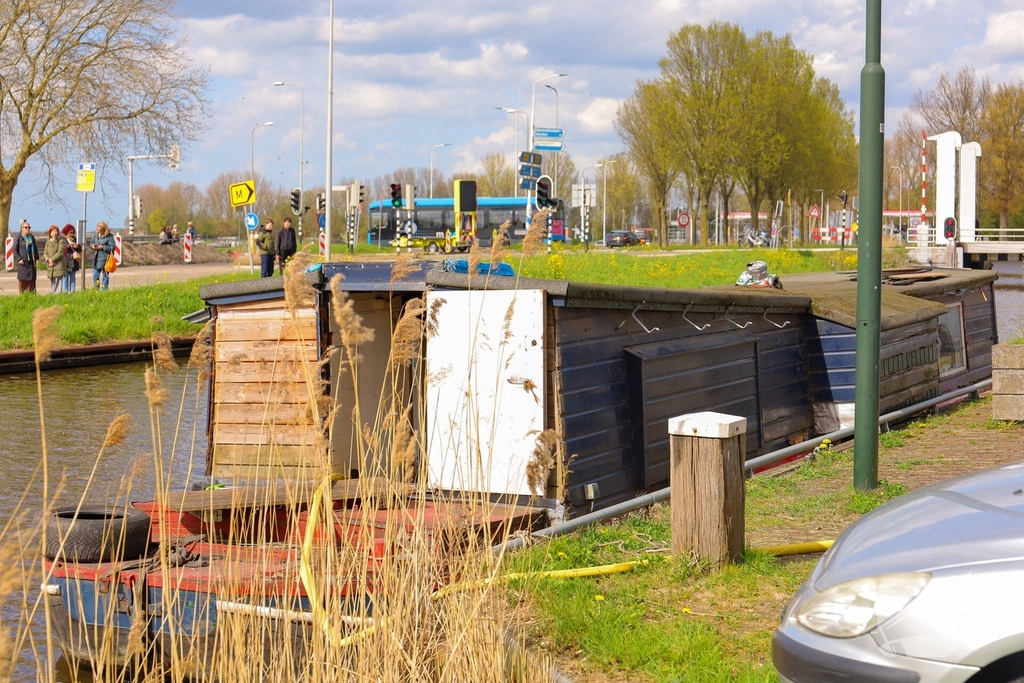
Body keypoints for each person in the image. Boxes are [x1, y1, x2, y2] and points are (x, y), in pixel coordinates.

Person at [12, 220, 39, 294]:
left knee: (31, 280)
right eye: (26, 227)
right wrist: (19, 259)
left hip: (31, 263)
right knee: (23, 279)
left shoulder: (31, 237)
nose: (28, 229)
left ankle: (32, 295)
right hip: (23, 263)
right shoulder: (19, 237)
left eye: (29, 227)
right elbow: (14, 249)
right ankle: (24, 295)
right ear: (22, 228)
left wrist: (36, 258)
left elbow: (35, 248)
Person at [43, 225, 68, 293]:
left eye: (56, 231)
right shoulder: (48, 242)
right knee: (53, 282)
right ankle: (54, 296)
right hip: (50, 266)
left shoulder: (61, 241)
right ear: (50, 233)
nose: (55, 233)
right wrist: (48, 259)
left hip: (58, 264)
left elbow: (60, 252)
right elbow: (45, 252)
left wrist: (52, 259)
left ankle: (57, 297)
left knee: (58, 282)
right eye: (53, 231)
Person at [90, 221, 115, 290]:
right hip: (97, 259)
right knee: (95, 275)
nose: (98, 229)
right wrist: (92, 246)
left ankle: (104, 291)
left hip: (106, 259)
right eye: (97, 227)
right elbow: (91, 242)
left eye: (99, 227)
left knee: (105, 276)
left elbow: (112, 247)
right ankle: (96, 290)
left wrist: (103, 247)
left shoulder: (109, 236)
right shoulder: (96, 235)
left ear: (104, 229)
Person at [62, 224, 81, 292]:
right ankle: (65, 292)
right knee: (65, 279)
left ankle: (73, 291)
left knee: (73, 278)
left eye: (73, 232)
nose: (72, 234)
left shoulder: (76, 239)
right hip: (66, 262)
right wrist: (68, 246)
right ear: (66, 232)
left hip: (74, 262)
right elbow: (61, 249)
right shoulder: (63, 240)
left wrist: (77, 247)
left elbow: (80, 249)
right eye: (70, 232)